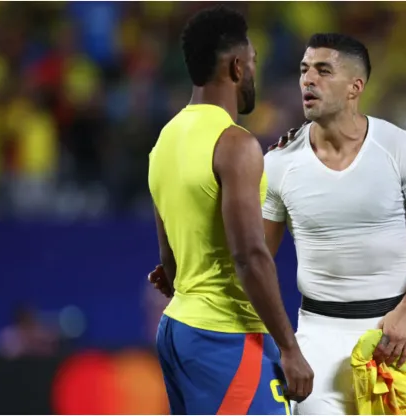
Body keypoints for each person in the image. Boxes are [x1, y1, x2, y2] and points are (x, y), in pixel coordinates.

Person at [263, 33, 406, 415]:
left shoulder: (400, 147)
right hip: (317, 339)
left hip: (395, 335)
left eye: (323, 71)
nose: (308, 80)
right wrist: (286, 345)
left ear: (356, 86)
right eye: (304, 70)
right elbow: (257, 259)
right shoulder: (279, 163)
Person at [147, 6, 312, 414]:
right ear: (237, 67)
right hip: (226, 335)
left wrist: (182, 274)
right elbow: (250, 255)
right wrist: (289, 349)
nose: (255, 71)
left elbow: (168, 265)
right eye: (253, 62)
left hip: (178, 329)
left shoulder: (165, 139)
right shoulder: (235, 143)